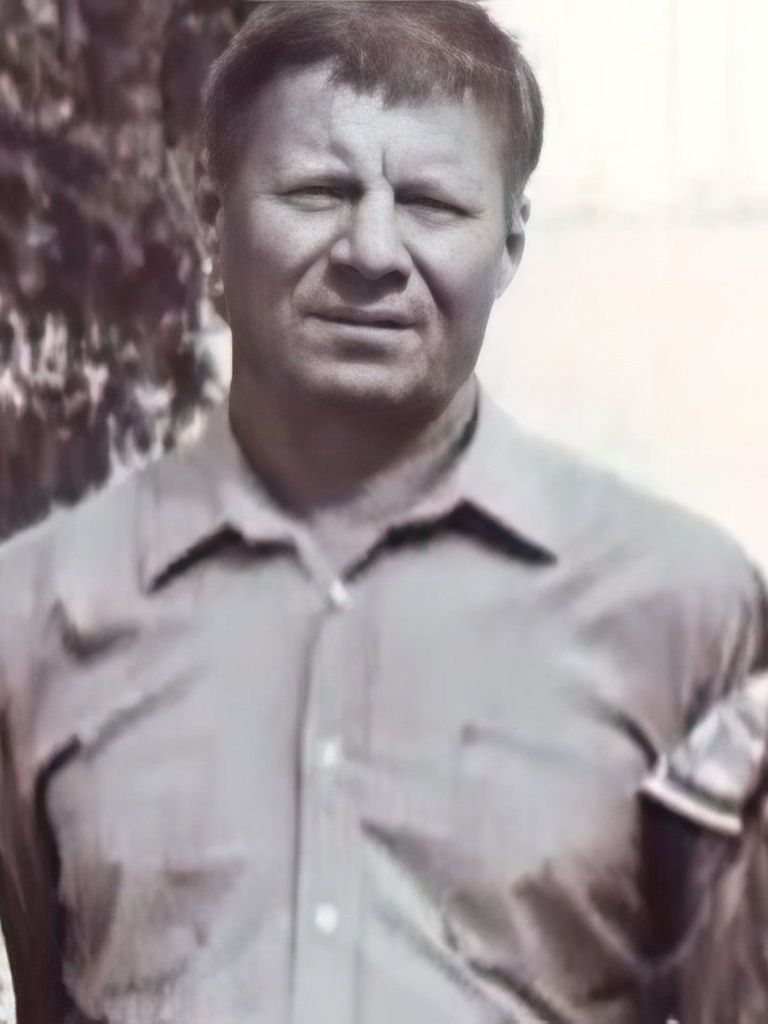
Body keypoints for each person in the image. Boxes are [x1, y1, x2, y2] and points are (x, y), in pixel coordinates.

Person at [0, 2, 765, 1022]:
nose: (371, 251)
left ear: (511, 242)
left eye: (433, 204)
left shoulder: (688, 611)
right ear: (213, 221)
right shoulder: (36, 611)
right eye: (318, 192)